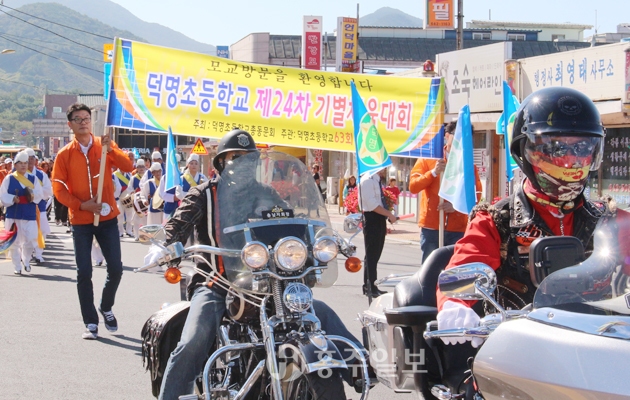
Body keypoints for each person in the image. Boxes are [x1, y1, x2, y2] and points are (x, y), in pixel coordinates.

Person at [144, 129, 366, 400]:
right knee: (193, 339)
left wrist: (321, 239)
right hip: (218, 282)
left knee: (318, 312)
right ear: (221, 162)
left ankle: (362, 367)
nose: (241, 163)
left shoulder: (265, 193)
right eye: (234, 157)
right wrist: (162, 245)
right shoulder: (204, 194)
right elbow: (177, 225)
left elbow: (291, 224)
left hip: (265, 281)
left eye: (247, 158)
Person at [436, 87, 623, 346]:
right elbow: (465, 266)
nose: (572, 159)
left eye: (582, 147)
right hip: (517, 351)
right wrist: (455, 305)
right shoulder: (497, 221)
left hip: (598, 346)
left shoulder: (609, 219)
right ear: (525, 151)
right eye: (557, 148)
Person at [52, 102, 134, 340]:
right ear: (70, 124)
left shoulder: (104, 145)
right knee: (83, 272)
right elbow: (58, 188)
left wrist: (112, 150)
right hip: (80, 220)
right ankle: (90, 322)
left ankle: (106, 306)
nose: (83, 122)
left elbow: (128, 166)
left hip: (107, 218)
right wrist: (81, 205)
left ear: (91, 121)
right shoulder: (64, 154)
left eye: (86, 118)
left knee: (116, 269)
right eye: (77, 119)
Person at [409, 121, 482, 263]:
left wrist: (457, 207)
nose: (461, 140)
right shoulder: (429, 158)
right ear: (447, 135)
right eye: (458, 135)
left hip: (458, 228)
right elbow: (413, 187)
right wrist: (433, 172)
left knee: (454, 270)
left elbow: (476, 194)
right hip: (432, 226)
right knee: (430, 269)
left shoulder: (468, 164)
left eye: (467, 137)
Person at [1, 151, 43, 274]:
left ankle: (26, 260)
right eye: (20, 163)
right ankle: (17, 266)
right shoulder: (9, 178)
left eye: (25, 163)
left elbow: (39, 194)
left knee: (31, 239)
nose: (24, 165)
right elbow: (2, 194)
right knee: (14, 242)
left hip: (29, 213)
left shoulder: (33, 178)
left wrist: (32, 195)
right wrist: (12, 198)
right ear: (15, 165)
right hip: (13, 214)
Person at [358, 168, 397, 296]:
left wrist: (386, 215)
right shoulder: (367, 180)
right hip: (371, 218)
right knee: (371, 255)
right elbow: (372, 205)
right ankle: (369, 286)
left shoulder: (376, 179)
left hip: (379, 218)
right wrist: (389, 214)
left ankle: (372, 285)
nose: (385, 169)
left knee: (376, 254)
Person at [26, 148, 52, 264]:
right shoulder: (18, 175)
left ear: (35, 160)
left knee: (42, 231)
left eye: (32, 158)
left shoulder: (41, 175)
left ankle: (38, 254)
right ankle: (27, 254)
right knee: (26, 232)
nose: (30, 161)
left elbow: (48, 190)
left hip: (39, 207)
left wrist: (36, 194)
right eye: (27, 159)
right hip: (25, 208)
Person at [114, 163, 134, 238]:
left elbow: (131, 186)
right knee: (120, 215)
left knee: (129, 215)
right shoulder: (115, 175)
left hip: (128, 198)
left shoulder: (129, 175)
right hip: (118, 198)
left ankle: (129, 230)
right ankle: (120, 231)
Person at [130, 159, 147, 241]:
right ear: (136, 168)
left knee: (145, 219)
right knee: (136, 219)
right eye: (139, 167)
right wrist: (132, 192)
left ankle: (145, 236)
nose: (141, 168)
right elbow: (129, 188)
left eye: (142, 166)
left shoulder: (147, 176)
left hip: (145, 200)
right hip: (136, 201)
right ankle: (136, 235)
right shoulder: (133, 178)